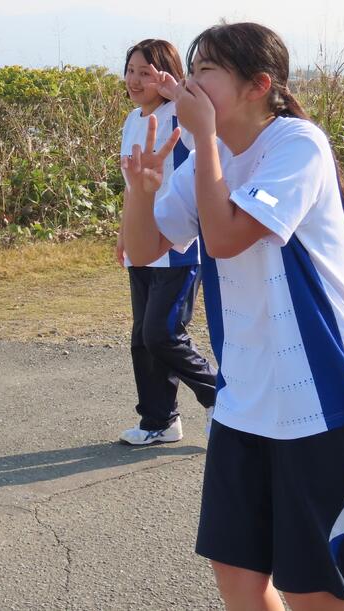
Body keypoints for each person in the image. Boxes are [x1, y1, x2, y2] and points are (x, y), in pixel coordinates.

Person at [121, 22, 344, 611]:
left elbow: (224, 239)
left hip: (321, 402)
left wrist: (201, 142)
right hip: (243, 401)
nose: (190, 83)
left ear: (259, 85)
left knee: (313, 596)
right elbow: (142, 251)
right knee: (238, 578)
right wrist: (141, 191)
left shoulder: (297, 146)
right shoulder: (210, 156)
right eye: (192, 69)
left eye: (206, 71)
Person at [116, 39, 217, 446]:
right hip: (141, 242)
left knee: (162, 333)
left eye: (146, 73)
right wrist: (124, 233)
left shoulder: (180, 116)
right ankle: (158, 421)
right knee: (143, 338)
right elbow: (132, 185)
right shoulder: (131, 120)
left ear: (166, 75)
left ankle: (219, 397)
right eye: (131, 70)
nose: (135, 80)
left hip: (178, 245)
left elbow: (209, 143)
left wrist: (178, 94)